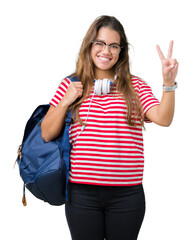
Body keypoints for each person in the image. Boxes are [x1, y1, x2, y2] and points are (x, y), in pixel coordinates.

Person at [41, 15, 178, 240]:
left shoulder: (135, 86)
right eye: (100, 43)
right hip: (81, 194)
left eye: (114, 45)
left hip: (127, 195)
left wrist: (169, 83)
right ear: (90, 45)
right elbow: (46, 133)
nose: (106, 51)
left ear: (121, 50)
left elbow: (163, 118)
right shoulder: (70, 84)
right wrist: (66, 100)